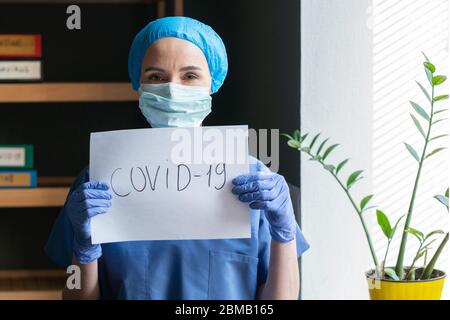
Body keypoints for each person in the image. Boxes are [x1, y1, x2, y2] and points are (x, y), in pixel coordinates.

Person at [45, 16, 309, 300]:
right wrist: (84, 249)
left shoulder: (254, 182)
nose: (172, 89)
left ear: (213, 84)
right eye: (156, 77)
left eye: (190, 76)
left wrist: (284, 234)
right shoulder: (99, 180)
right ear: (139, 83)